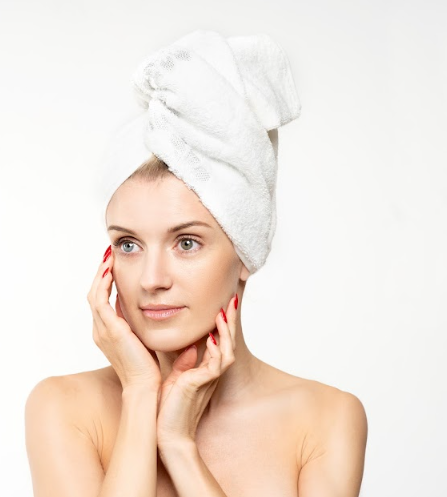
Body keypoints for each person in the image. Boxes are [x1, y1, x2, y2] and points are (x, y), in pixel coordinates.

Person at [25, 31, 367, 497]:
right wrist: (140, 392)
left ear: (244, 252)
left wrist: (179, 446)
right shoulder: (64, 408)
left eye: (186, 243)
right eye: (128, 245)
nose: (151, 280)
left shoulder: (325, 420)